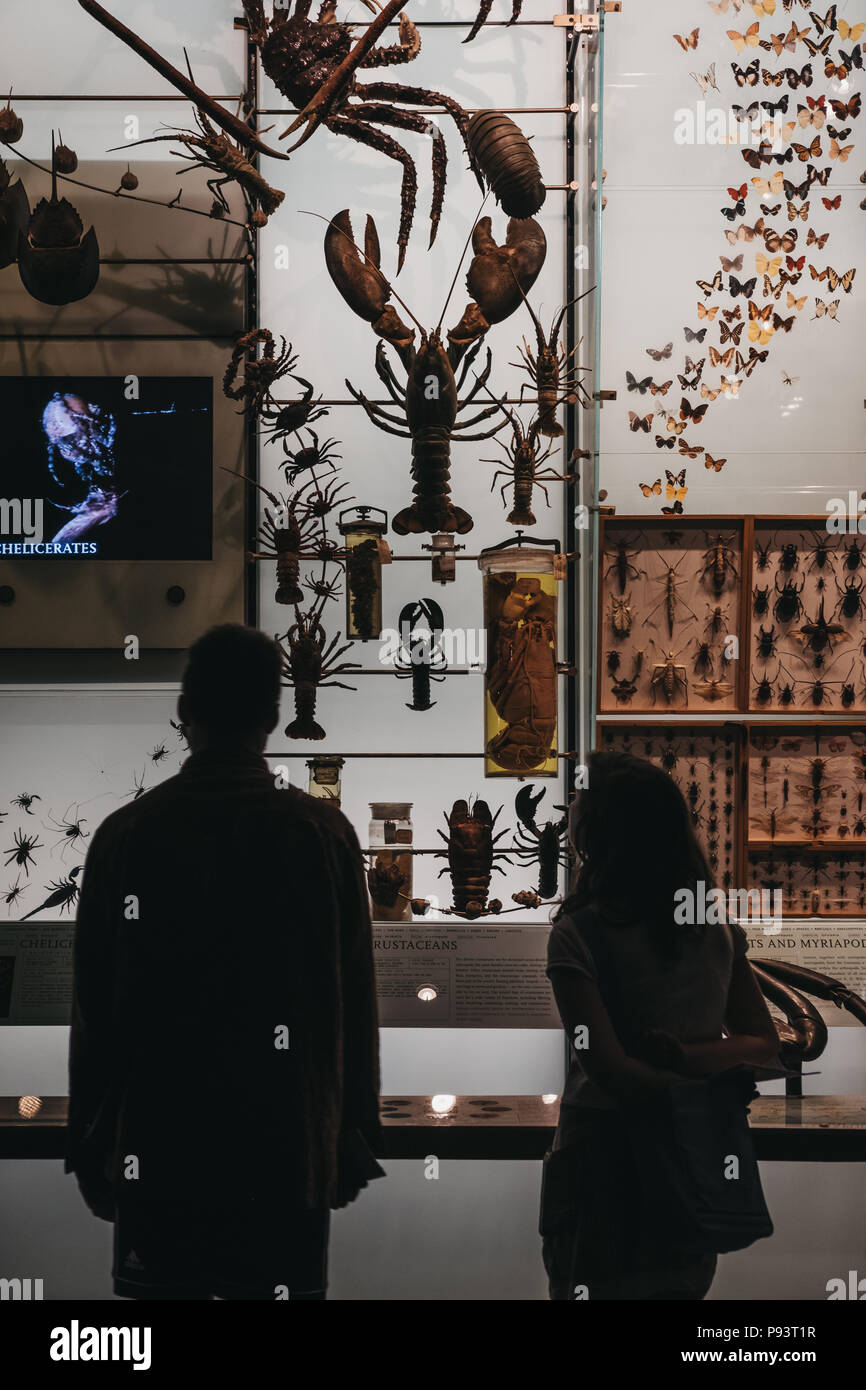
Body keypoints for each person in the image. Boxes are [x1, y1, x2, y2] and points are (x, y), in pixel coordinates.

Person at [66, 624, 382, 1300]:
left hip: (160, 1141)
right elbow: (354, 996)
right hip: (285, 1147)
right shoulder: (322, 834)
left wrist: (92, 1141)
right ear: (272, 716)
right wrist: (352, 1129)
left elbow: (95, 1008)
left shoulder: (125, 836)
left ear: (185, 712)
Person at [542, 751, 779, 1301]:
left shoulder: (577, 934)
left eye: (578, 798)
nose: (570, 805)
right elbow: (762, 1042)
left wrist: (669, 1066)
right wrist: (693, 1065)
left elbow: (610, 1073)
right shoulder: (713, 929)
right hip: (693, 1152)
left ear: (597, 829)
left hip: (602, 1158)